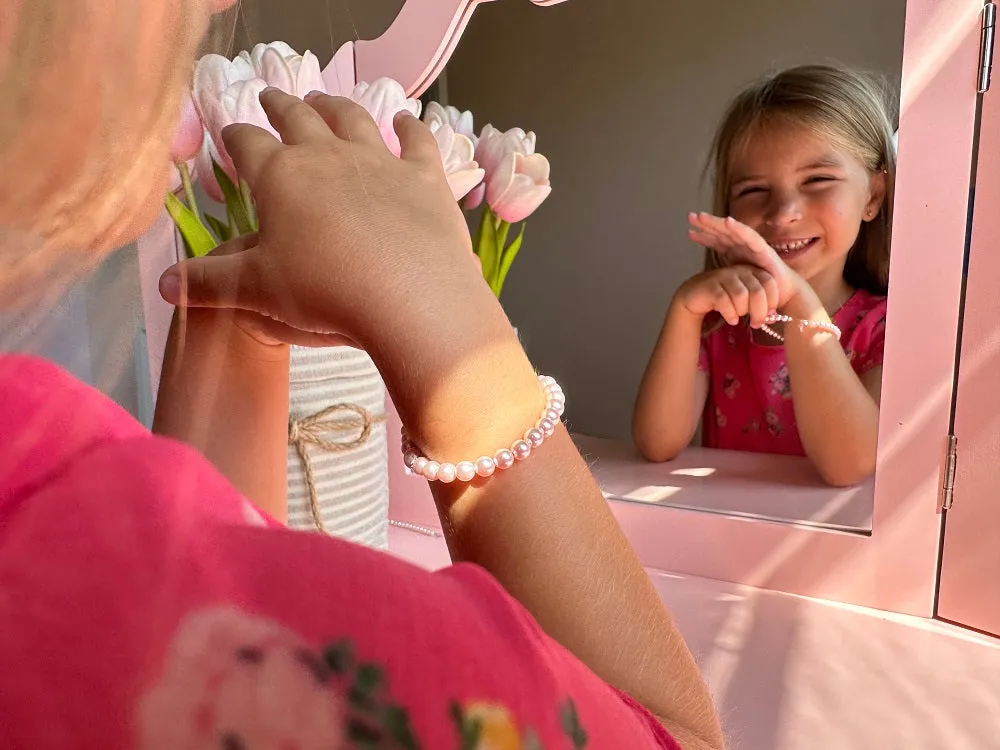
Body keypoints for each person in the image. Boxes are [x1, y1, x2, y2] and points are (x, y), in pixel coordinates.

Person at [0, 2, 725, 748]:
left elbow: (198, 575)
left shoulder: (40, 475)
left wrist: (234, 323)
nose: (216, 5)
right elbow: (672, 733)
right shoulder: (349, 681)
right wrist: (448, 315)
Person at [633, 65, 895, 488]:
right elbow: (657, 443)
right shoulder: (721, 322)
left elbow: (849, 465)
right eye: (755, 190)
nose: (784, 212)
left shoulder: (883, 328)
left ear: (873, 196)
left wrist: (800, 300)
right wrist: (684, 310)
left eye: (818, 180)